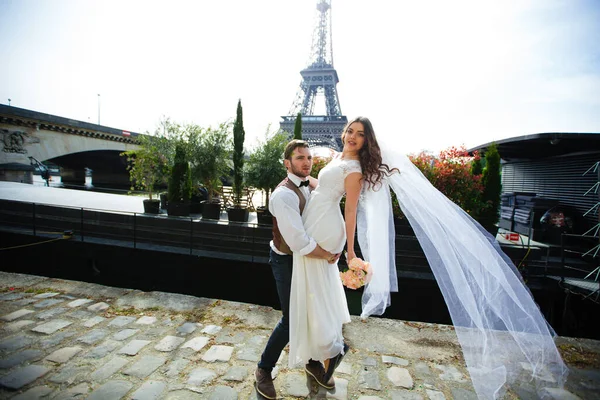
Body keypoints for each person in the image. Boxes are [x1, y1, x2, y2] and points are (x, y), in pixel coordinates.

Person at [307, 116, 568, 399]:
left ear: (367, 140)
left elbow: (351, 210)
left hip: (328, 228)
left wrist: (351, 250)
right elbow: (325, 188)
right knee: (320, 289)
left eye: (359, 134)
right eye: (350, 131)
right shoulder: (338, 158)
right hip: (319, 219)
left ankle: (326, 350)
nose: (352, 136)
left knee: (317, 288)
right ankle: (326, 351)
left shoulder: (355, 169)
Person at [255, 139, 341, 400]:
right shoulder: (283, 195)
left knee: (312, 311)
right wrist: (327, 253)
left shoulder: (309, 182)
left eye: (309, 158)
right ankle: (263, 370)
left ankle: (312, 361)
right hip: (287, 260)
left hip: (307, 259)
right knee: (292, 319)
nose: (306, 162)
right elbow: (299, 242)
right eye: (300, 158)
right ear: (287, 163)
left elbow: (328, 192)